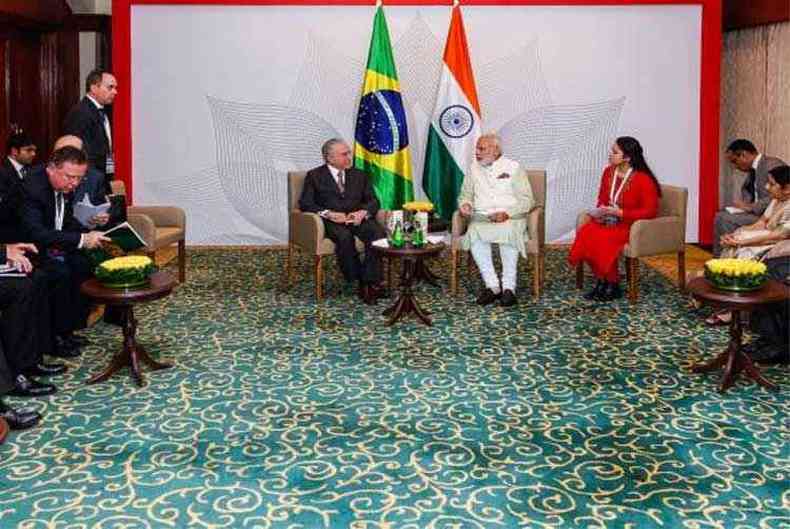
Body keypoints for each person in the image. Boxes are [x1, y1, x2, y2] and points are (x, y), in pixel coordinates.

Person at [20, 146, 110, 353]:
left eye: (79, 178)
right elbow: (38, 234)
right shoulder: (32, 189)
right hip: (26, 251)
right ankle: (53, 339)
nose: (75, 183)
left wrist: (89, 226)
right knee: (59, 273)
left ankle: (68, 330)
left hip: (50, 247)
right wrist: (82, 239)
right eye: (70, 177)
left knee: (83, 264)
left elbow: (65, 222)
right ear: (51, 169)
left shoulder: (62, 186)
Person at [569, 136, 660, 302]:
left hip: (631, 226)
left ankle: (612, 283)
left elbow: (650, 211)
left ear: (627, 157)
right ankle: (602, 280)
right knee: (587, 232)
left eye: (615, 152)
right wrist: (602, 211)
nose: (610, 155)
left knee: (604, 238)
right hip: (609, 220)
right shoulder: (608, 172)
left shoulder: (643, 179)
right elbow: (602, 198)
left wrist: (621, 214)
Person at [298, 138, 386, 304]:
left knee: (377, 234)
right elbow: (305, 203)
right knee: (344, 237)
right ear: (329, 158)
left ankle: (368, 281)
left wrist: (363, 212)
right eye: (344, 154)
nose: (349, 157)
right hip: (331, 221)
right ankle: (358, 279)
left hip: (357, 218)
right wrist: (328, 213)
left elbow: (373, 201)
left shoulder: (360, 175)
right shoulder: (314, 176)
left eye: (349, 153)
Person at [706, 165, 790, 326]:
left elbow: (779, 235)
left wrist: (742, 241)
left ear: (787, 188)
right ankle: (727, 300)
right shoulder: (777, 200)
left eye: (772, 184)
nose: (767, 187)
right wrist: (737, 234)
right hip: (766, 236)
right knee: (734, 243)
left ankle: (739, 310)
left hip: (779, 242)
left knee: (744, 253)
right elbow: (761, 223)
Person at [458, 133, 534, 307]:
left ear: (495, 149)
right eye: (476, 148)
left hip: (510, 218)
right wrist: (466, 205)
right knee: (474, 233)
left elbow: (527, 200)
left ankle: (509, 288)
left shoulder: (514, 167)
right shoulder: (473, 169)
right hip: (482, 218)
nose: (477, 152)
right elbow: (465, 195)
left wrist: (507, 213)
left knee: (508, 232)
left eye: (481, 148)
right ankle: (492, 286)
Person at [713, 139, 786, 256]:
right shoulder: (754, 169)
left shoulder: (772, 165)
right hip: (761, 214)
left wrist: (751, 207)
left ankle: (723, 258)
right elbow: (749, 191)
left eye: (734, 161)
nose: (735, 167)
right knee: (723, 212)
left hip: (767, 214)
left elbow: (777, 196)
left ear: (744, 155)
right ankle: (726, 255)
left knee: (723, 218)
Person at [63, 69, 118, 195]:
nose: (115, 92)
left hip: (101, 179)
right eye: (110, 87)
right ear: (94, 88)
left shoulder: (100, 111)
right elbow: (77, 153)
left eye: (115, 87)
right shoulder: (81, 113)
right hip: (88, 183)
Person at [0, 130, 37, 241]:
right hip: (8, 233)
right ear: (14, 151)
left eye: (34, 150)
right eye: (29, 150)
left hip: (26, 230)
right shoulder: (2, 171)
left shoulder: (31, 170)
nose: (33, 154)